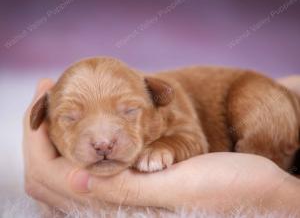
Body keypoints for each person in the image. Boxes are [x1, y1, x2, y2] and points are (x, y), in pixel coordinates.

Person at [23, 78, 300, 215]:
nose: (103, 141)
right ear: (42, 116)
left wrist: (282, 196)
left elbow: (191, 138)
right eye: (71, 118)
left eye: (129, 112)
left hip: (249, 94)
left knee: (262, 114)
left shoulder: (163, 104)